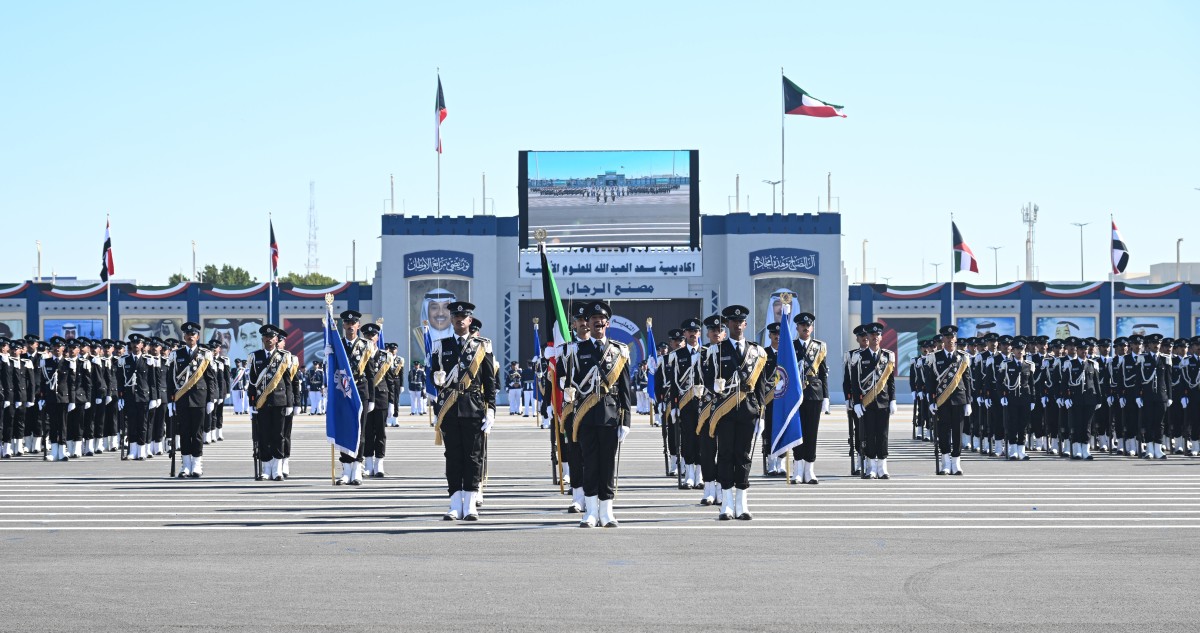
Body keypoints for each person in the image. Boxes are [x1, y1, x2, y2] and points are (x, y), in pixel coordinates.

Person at [563, 300, 632, 528]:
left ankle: (607, 512)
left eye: (601, 321)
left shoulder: (619, 351)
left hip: (610, 416)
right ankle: (590, 512)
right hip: (585, 417)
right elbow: (569, 384)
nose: (598, 323)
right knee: (589, 464)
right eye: (593, 320)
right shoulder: (575, 350)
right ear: (587, 324)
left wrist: (627, 421)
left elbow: (625, 389)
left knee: (607, 465)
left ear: (607, 323)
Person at [431, 301, 496, 521]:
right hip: (450, 408)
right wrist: (436, 382)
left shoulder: (482, 345)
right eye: (456, 316)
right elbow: (433, 379)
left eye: (464, 317)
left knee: (473, 457)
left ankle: (470, 505)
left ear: (470, 321)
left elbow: (490, 380)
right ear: (451, 320)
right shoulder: (441, 345)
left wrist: (491, 410)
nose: (459, 320)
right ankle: (454, 504)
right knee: (453, 457)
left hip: (474, 407)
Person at [703, 305, 770, 520]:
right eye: (733, 322)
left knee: (743, 456)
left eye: (740, 322)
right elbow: (706, 378)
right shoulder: (717, 350)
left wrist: (761, 414)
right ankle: (726, 504)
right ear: (727, 325)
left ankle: (742, 504)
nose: (737, 325)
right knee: (724, 455)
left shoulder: (757, 351)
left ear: (745, 324)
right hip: (725, 411)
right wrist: (715, 386)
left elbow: (761, 385)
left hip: (749, 411)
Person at [168, 322, 217, 478]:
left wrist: (211, 399)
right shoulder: (176, 354)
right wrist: (170, 400)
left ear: (198, 336)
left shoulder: (205, 354)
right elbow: (170, 379)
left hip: (199, 399)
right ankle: (186, 465)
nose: (190, 337)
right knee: (184, 432)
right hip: (181, 399)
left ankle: (197, 464)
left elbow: (211, 379)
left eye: (193, 334)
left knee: (197, 433)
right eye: (188, 334)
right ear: (184, 337)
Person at [923, 325, 974, 475]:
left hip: (959, 399)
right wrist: (931, 401)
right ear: (942, 339)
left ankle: (956, 463)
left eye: (952, 337)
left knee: (958, 432)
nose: (950, 340)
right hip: (941, 400)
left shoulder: (963, 357)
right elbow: (930, 381)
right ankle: (945, 463)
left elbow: (967, 380)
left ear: (955, 339)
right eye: (947, 337)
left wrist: (968, 402)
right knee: (943, 431)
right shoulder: (934, 357)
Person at [848, 322, 896, 479]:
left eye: (877, 335)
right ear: (867, 337)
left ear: (881, 337)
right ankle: (871, 467)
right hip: (866, 403)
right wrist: (856, 402)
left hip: (883, 401)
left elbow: (890, 382)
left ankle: (882, 466)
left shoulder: (888, 356)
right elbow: (854, 382)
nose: (875, 338)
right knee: (868, 434)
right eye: (872, 335)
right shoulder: (858, 357)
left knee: (882, 434)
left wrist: (893, 400)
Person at [671, 318, 708, 500]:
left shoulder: (707, 353)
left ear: (699, 333)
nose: (693, 334)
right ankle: (689, 474)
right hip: (686, 403)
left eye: (695, 331)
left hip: (703, 401)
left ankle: (700, 474)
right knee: (687, 438)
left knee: (702, 437)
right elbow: (673, 382)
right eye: (689, 332)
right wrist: (674, 405)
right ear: (684, 334)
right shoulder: (678, 355)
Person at [792, 311, 831, 484]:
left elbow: (823, 373)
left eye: (808, 326)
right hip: (795, 394)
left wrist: (826, 397)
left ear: (812, 328)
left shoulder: (819, 347)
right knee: (797, 432)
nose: (805, 328)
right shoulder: (790, 346)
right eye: (802, 326)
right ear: (797, 327)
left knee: (811, 433)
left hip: (814, 393)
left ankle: (810, 470)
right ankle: (797, 470)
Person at [335, 310, 372, 485]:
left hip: (360, 392)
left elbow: (371, 374)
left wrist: (371, 398)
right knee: (344, 430)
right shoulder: (337, 345)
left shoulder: (366, 346)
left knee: (360, 432)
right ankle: (345, 470)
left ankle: (357, 468)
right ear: (343, 326)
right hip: (343, 392)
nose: (350, 327)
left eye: (353, 324)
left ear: (358, 325)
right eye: (347, 324)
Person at [249, 325, 289, 481]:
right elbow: (252, 383)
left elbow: (288, 382)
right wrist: (251, 403)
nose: (268, 339)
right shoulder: (255, 356)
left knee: (278, 435)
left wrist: (291, 403)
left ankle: (277, 469)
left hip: (279, 400)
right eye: (266, 336)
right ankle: (266, 468)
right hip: (261, 403)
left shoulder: (284, 357)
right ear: (262, 339)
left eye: (271, 337)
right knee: (264, 435)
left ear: (276, 339)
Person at [361, 322, 391, 478]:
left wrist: (393, 403)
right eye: (367, 335)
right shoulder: (360, 355)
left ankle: (379, 463)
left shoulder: (386, 356)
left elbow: (391, 380)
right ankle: (368, 464)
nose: (370, 338)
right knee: (366, 431)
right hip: (365, 397)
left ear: (377, 337)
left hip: (381, 397)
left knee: (380, 431)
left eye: (372, 336)